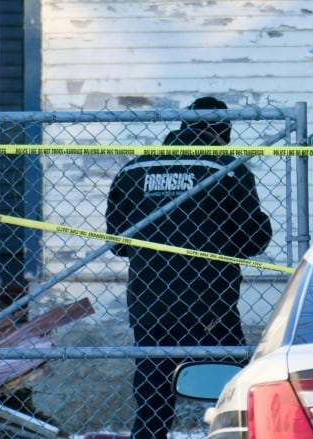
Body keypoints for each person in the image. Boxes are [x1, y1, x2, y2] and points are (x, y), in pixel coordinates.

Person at [105, 96, 272, 439]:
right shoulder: (224, 167)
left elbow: (118, 241)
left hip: (149, 302)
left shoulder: (135, 169)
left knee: (152, 391)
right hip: (210, 304)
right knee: (235, 386)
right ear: (221, 131)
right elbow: (254, 238)